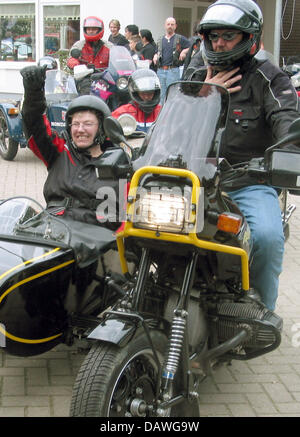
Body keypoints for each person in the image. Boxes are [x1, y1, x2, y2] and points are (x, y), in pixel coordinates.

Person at [185, 0, 300, 311]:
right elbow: (174, 120)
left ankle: (260, 312)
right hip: (194, 178)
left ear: (249, 38)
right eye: (213, 36)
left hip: (248, 182)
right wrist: (205, 92)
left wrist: (288, 156)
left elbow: (287, 121)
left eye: (228, 36)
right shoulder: (197, 70)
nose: (219, 43)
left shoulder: (270, 78)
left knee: (266, 238)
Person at [20, 64, 124, 230]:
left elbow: (126, 220)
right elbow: (35, 127)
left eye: (88, 124)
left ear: (102, 127)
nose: (80, 129)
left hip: (98, 244)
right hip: (55, 233)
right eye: (76, 124)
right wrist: (33, 93)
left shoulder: (119, 164)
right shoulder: (60, 151)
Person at [67, 16, 111, 94]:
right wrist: (76, 65)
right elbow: (71, 59)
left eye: (94, 29)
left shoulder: (109, 46)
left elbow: (117, 58)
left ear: (100, 30)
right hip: (85, 79)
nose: (90, 31)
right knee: (86, 95)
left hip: (105, 79)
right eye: (88, 29)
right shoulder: (79, 45)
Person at [153, 17, 191, 104]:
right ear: (165, 26)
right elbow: (156, 51)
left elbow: (192, 46)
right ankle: (161, 115)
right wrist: (155, 56)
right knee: (161, 96)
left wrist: (184, 51)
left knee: (172, 95)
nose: (170, 26)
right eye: (168, 24)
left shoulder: (180, 38)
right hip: (161, 71)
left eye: (172, 24)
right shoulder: (160, 39)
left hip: (173, 70)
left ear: (175, 26)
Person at [111, 69, 161, 134]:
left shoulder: (163, 112)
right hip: (132, 144)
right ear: (136, 93)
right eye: (143, 93)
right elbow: (109, 135)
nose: (146, 97)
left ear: (156, 92)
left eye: (150, 93)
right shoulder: (122, 113)